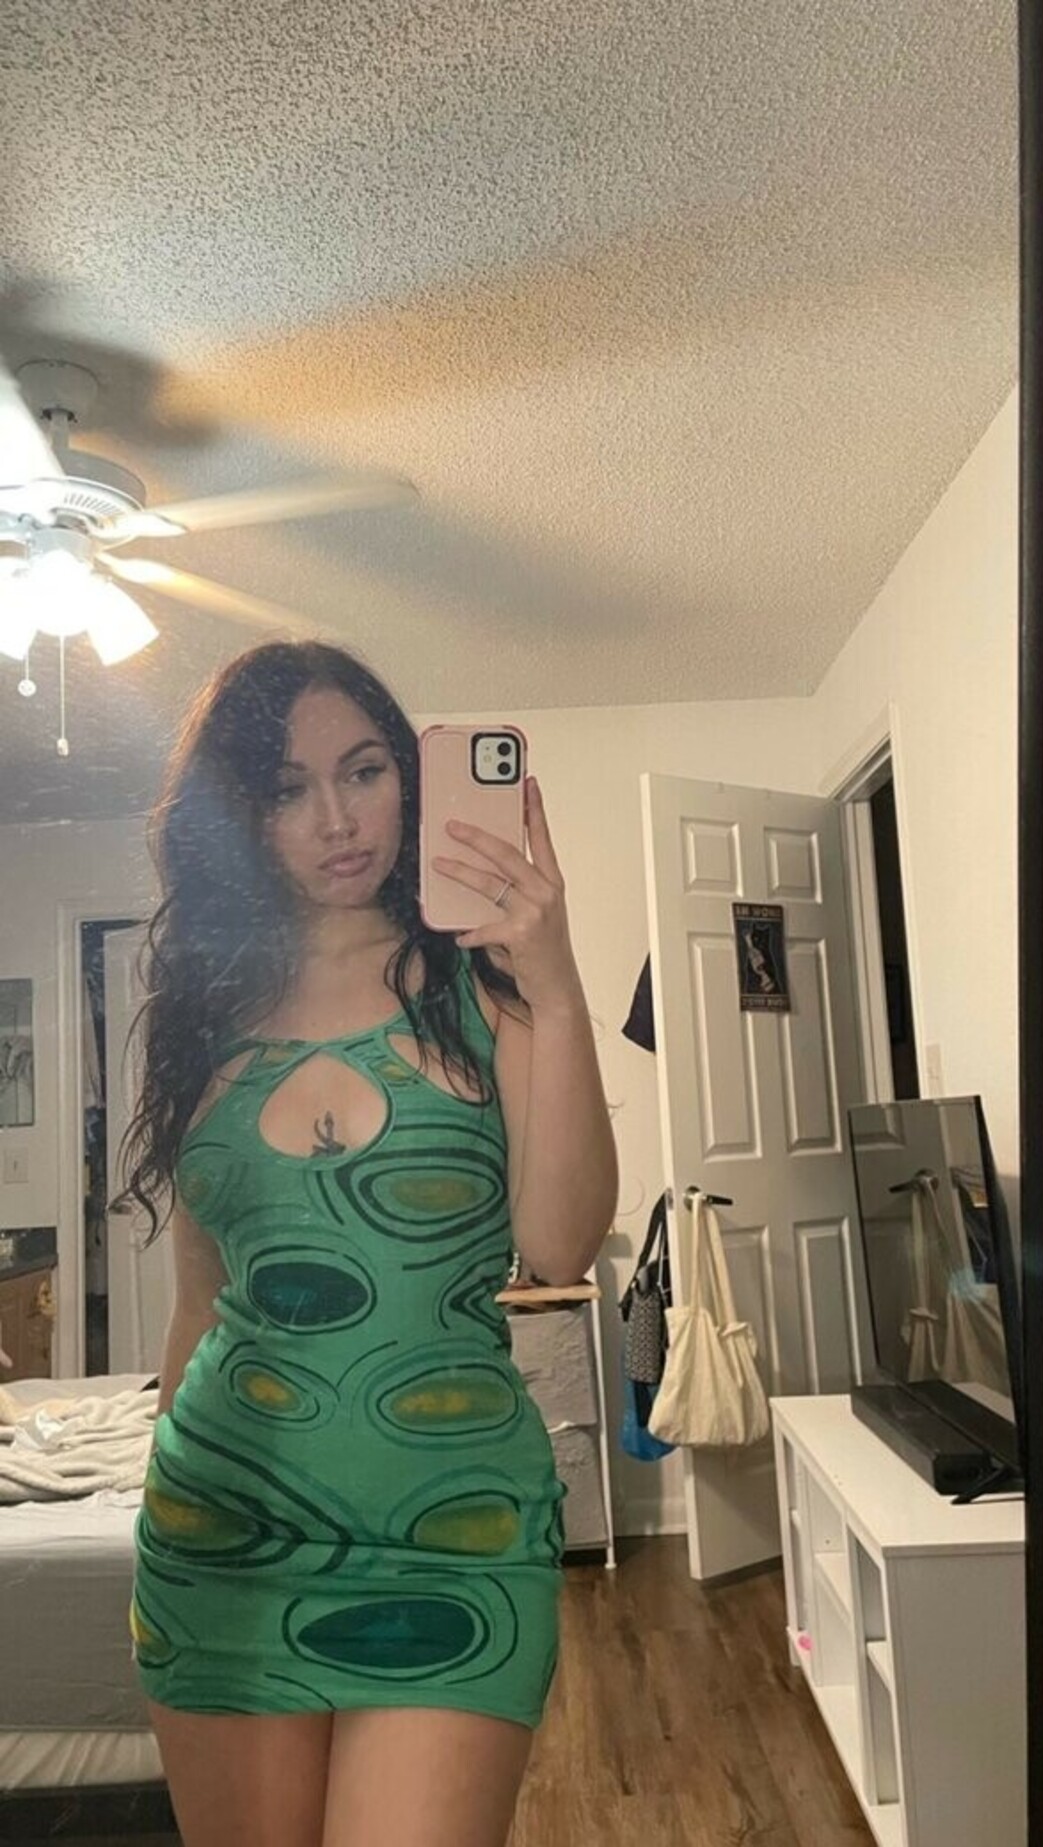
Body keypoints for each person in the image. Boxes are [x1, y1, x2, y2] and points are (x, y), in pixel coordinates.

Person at [118, 641, 618, 1847]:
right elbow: (200, 1303)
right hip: (221, 1534)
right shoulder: (204, 1014)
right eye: (287, 789)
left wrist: (554, 981)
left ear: (411, 774)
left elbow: (559, 1244)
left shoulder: (484, 982)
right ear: (242, 815)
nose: (336, 820)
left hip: (456, 1534)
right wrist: (152, 1486)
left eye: (363, 770)